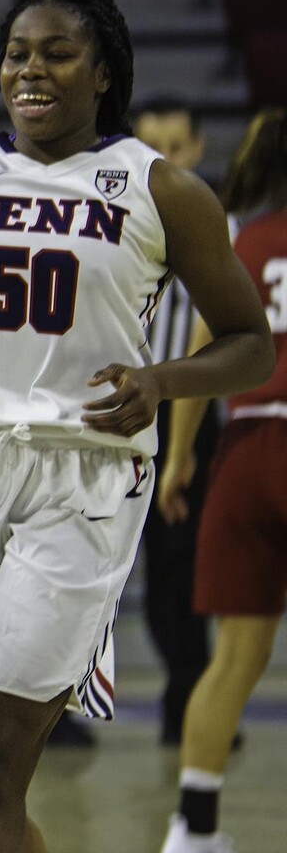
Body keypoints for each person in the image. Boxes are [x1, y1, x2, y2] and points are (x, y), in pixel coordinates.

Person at [0, 0, 274, 853]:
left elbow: (250, 346)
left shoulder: (164, 190)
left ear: (104, 73)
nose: (31, 69)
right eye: (18, 55)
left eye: (58, 53)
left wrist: (161, 382)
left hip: (83, 474)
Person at [157, 107, 287, 853]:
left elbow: (202, 350)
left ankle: (194, 830)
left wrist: (181, 458)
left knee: (233, 657)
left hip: (240, 447)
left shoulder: (240, 244)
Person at [133, 99, 219, 745]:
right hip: (112, 412)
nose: (164, 157)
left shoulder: (219, 227)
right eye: (150, 144)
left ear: (199, 150)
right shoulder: (109, 222)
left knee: (178, 572)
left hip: (190, 416)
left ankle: (191, 705)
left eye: (175, 144)